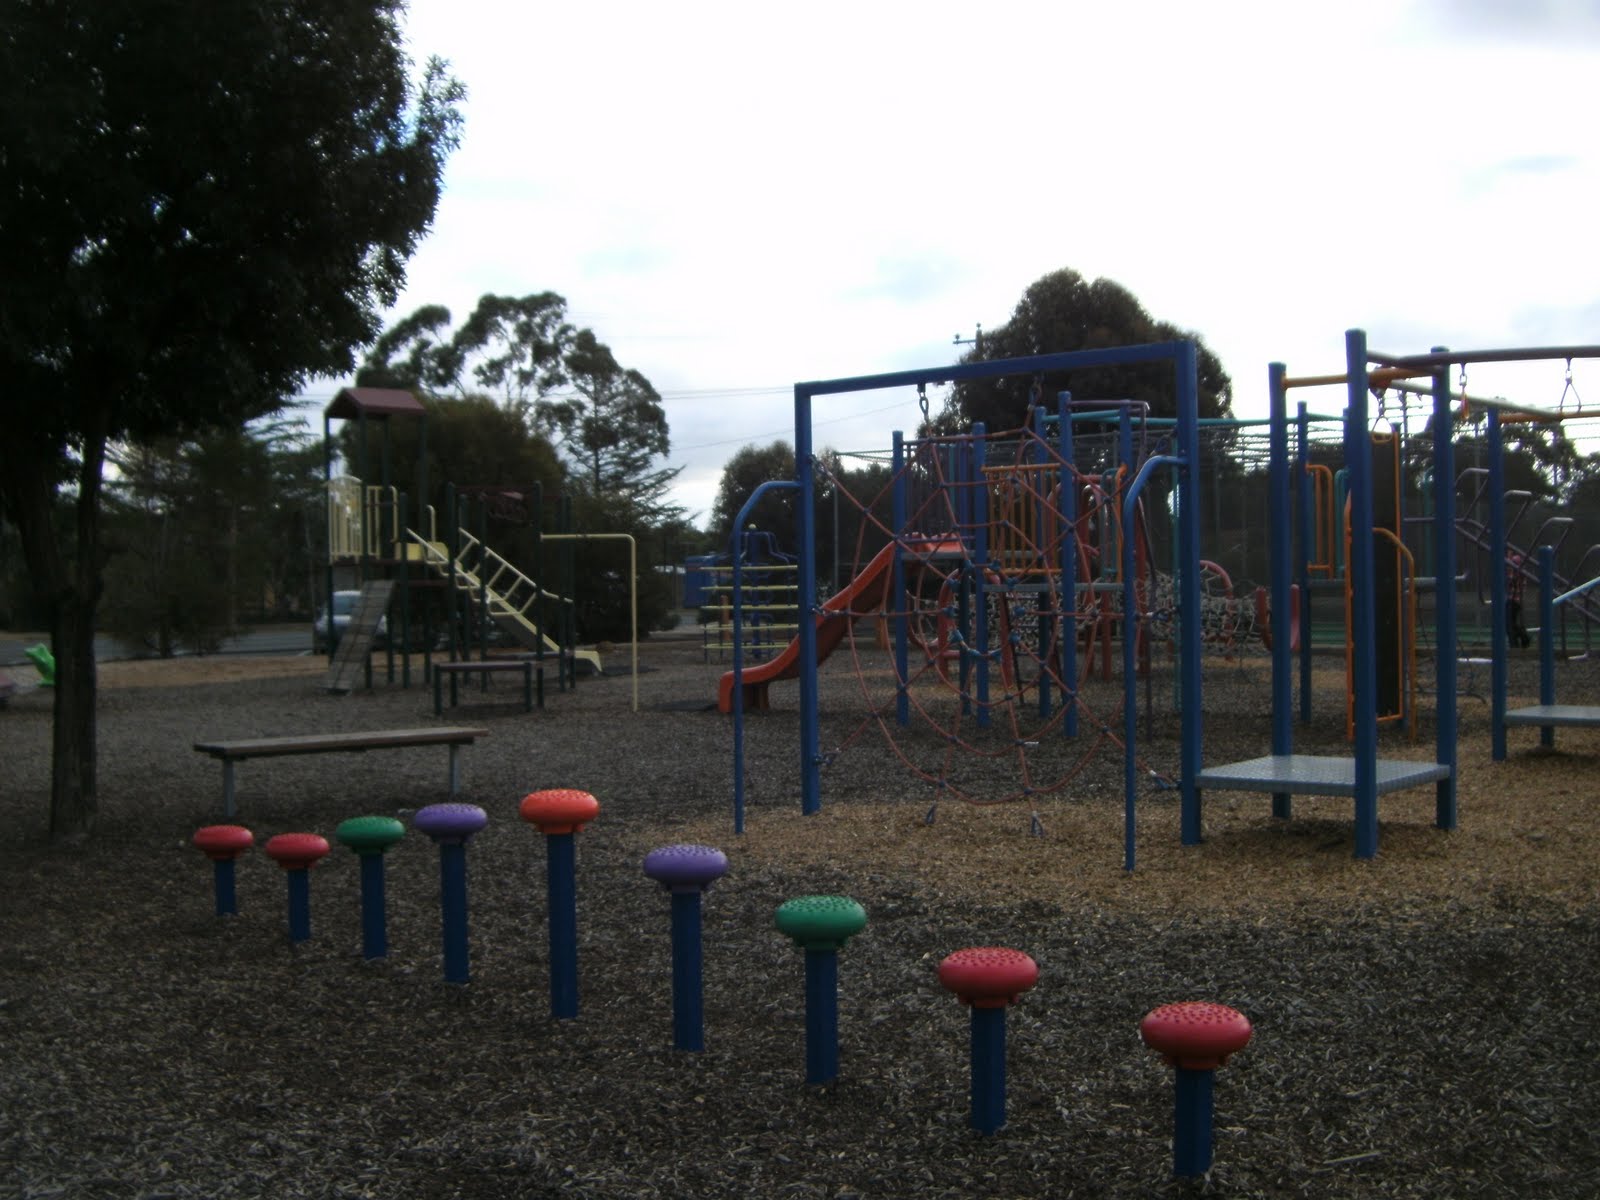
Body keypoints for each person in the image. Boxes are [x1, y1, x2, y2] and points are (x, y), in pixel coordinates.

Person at [1506, 553, 1532, 649]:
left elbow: (1511, 579)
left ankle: (1521, 639)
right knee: (1510, 622)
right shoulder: (1520, 572)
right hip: (1516, 600)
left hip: (1513, 600)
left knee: (1509, 623)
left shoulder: (1517, 573)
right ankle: (1519, 640)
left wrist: (1508, 561)